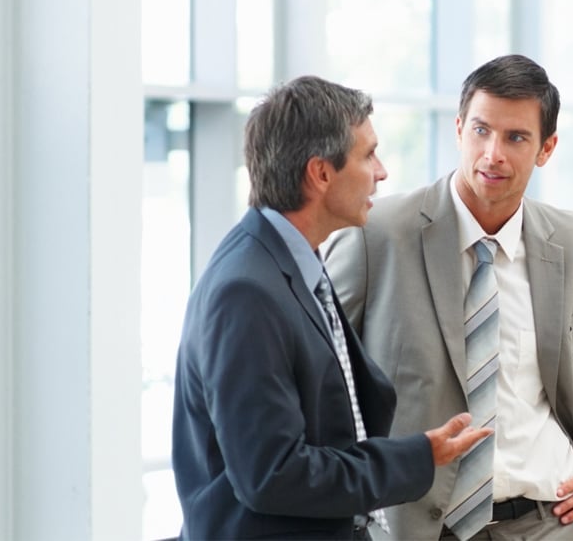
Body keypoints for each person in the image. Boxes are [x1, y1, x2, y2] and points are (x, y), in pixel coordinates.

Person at [324, 54, 573, 541]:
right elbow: (320, 380)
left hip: (550, 523)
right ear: (459, 128)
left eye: (516, 137)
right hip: (411, 527)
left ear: (547, 148)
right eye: (481, 131)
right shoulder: (376, 236)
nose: (493, 154)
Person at [171, 76, 491, 540]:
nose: (381, 172)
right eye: (368, 155)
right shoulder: (246, 292)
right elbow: (272, 474)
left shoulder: (297, 264)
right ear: (320, 174)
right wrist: (416, 457)